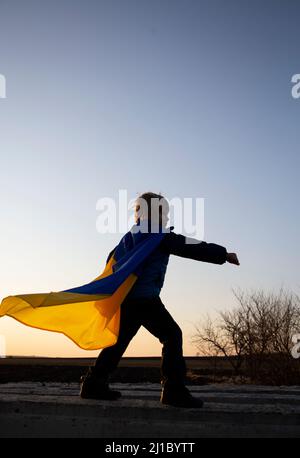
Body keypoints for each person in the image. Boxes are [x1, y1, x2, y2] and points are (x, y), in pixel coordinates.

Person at [80, 192, 240, 408]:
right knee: (172, 335)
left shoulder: (129, 237)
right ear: (156, 213)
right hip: (145, 299)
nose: (166, 216)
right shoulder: (159, 235)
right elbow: (191, 245)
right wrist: (223, 254)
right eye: (164, 212)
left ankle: (93, 383)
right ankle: (173, 389)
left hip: (127, 299)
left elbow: (111, 262)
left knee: (119, 342)